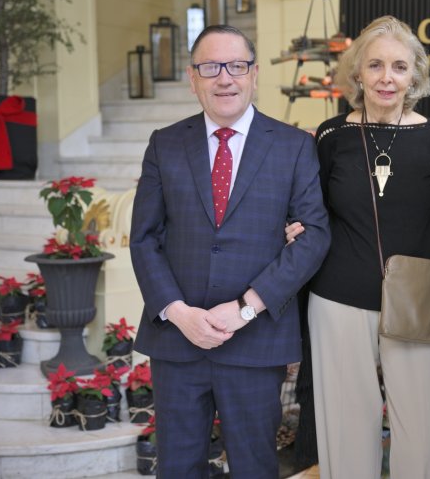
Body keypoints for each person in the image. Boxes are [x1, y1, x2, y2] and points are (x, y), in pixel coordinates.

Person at [129, 25, 330, 479]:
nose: (224, 78)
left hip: (256, 343)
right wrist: (179, 313)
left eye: (236, 66)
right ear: (192, 78)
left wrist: (245, 309)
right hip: (177, 342)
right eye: (210, 67)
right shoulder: (165, 143)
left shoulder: (294, 146)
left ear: (254, 74)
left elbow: (314, 236)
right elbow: (144, 238)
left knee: (254, 467)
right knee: (177, 467)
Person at [289, 15, 430, 479]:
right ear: (357, 72)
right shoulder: (331, 136)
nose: (387, 77)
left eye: (399, 67)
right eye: (375, 65)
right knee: (347, 431)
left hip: (415, 297)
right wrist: (293, 229)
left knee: (418, 433)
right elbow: (313, 213)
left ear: (414, 75)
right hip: (337, 297)